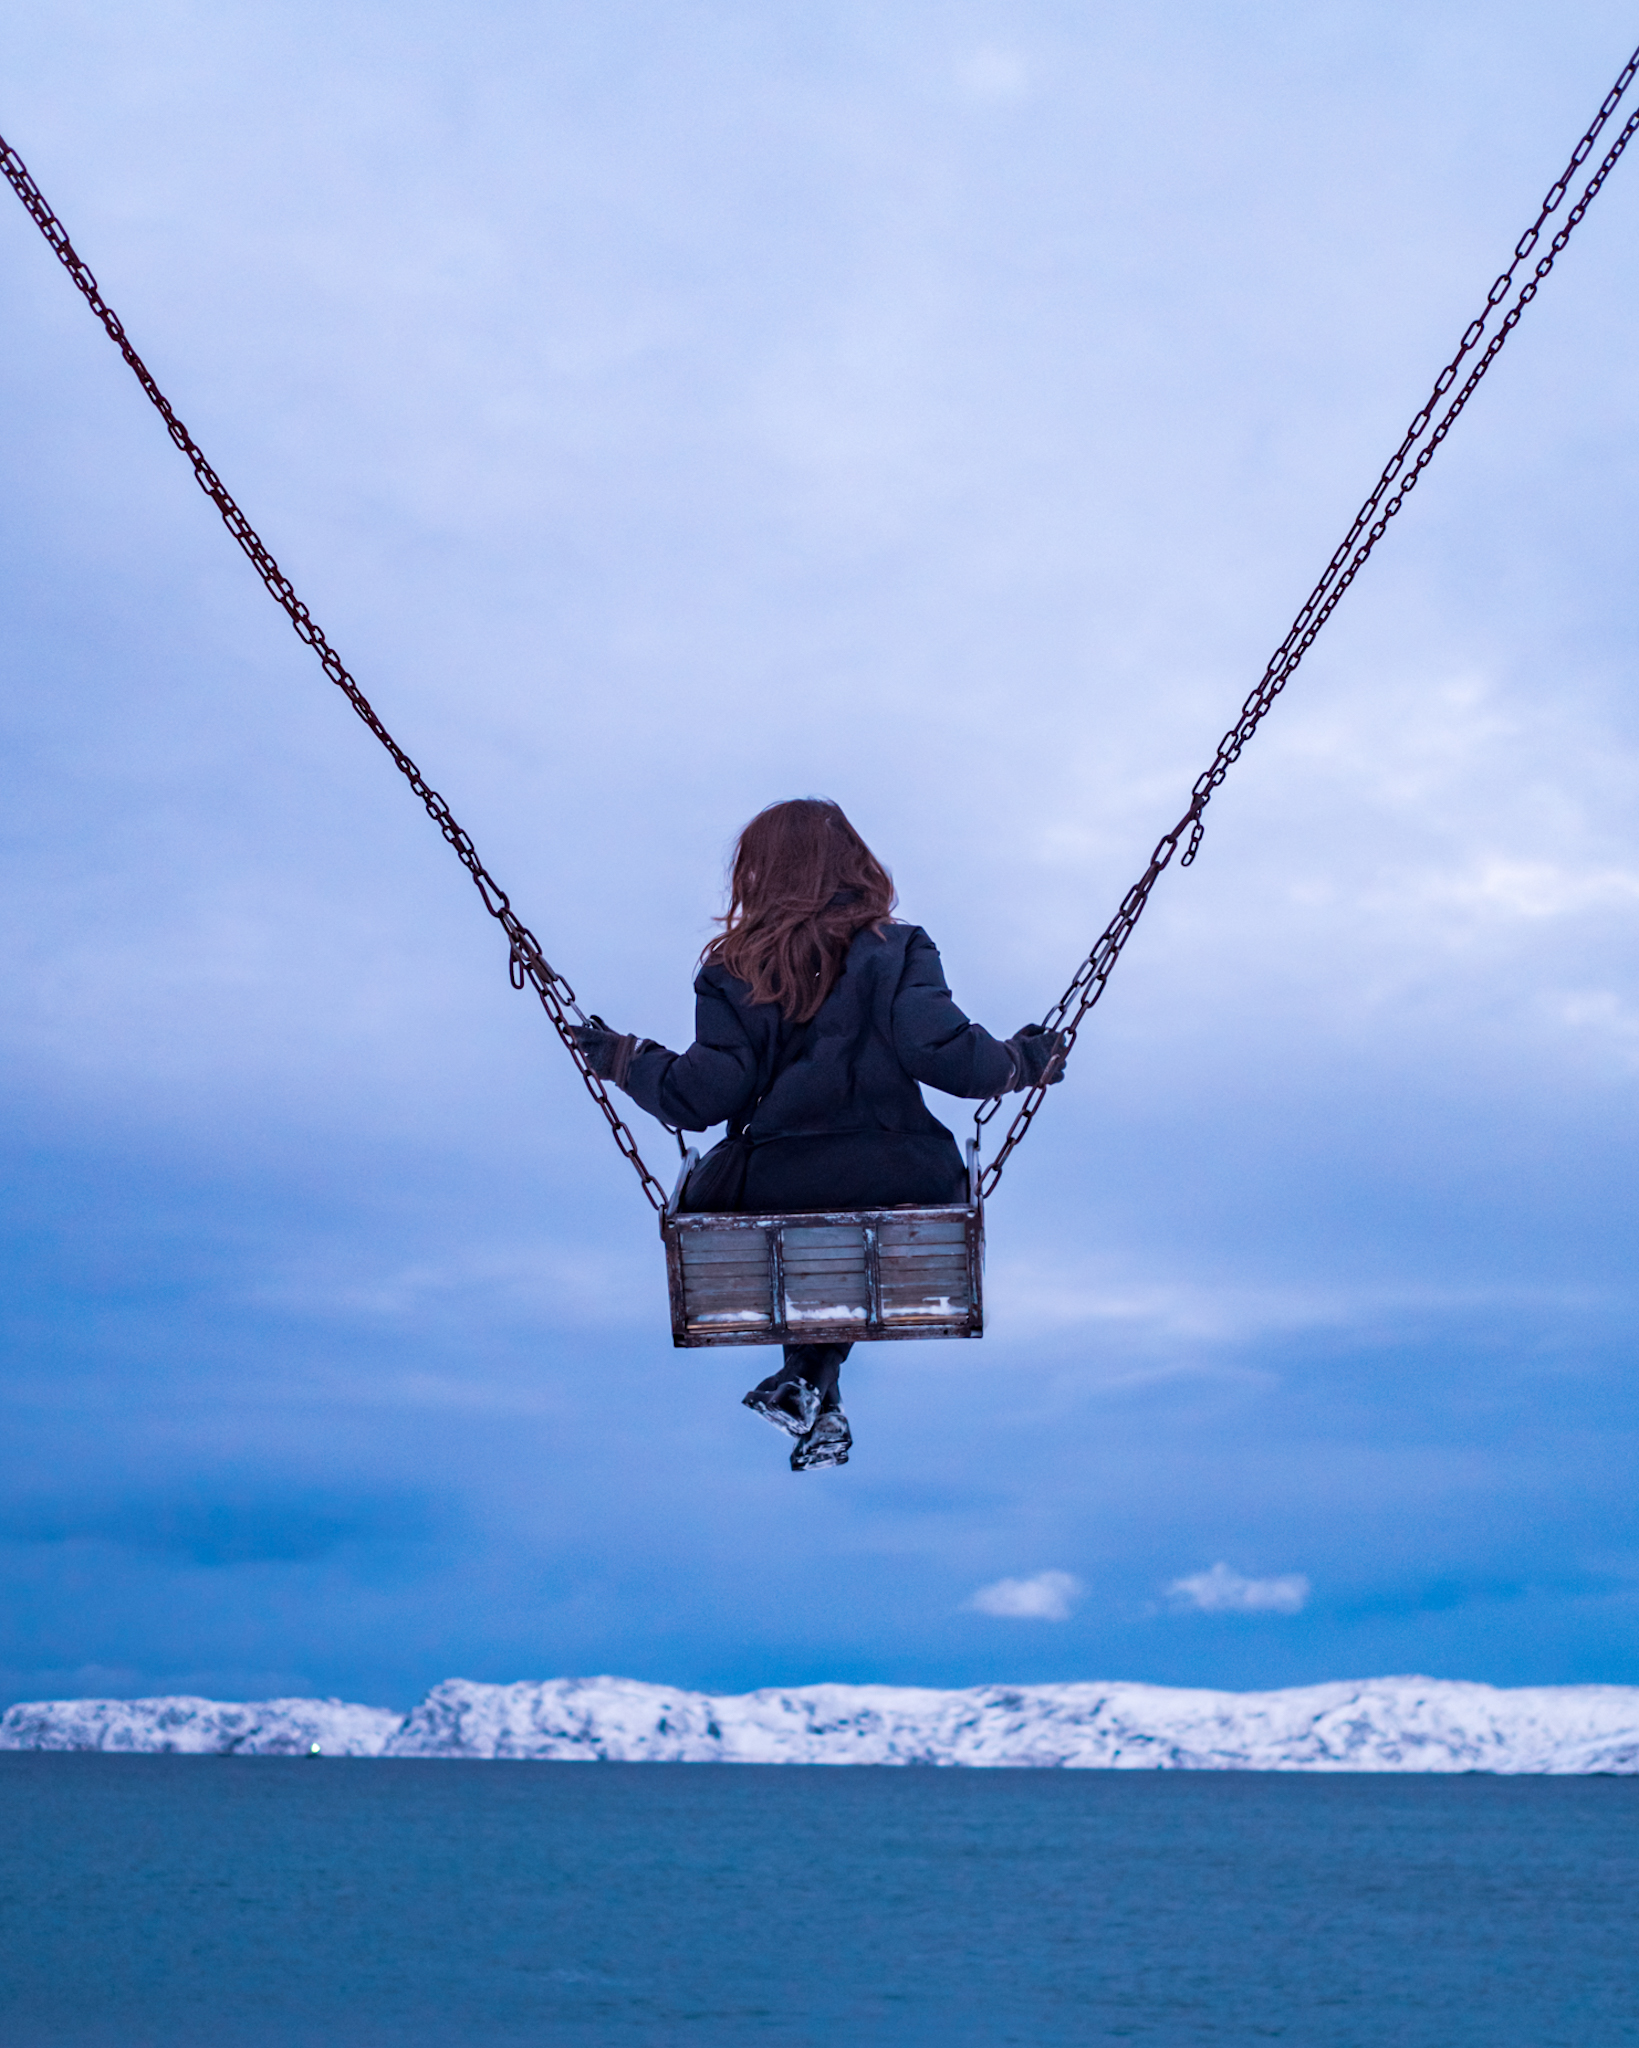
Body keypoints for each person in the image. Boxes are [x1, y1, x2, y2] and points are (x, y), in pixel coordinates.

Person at [570, 799, 1065, 1472]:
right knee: (847, 1238)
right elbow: (944, 1055)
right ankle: (810, 1389)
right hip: (899, 1174)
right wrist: (1025, 1061)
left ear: (758, 873)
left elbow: (702, 1095)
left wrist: (624, 1058)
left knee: (795, 1236)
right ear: (854, 863)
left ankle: (808, 1385)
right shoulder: (897, 948)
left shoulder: (732, 968)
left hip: (769, 1186)